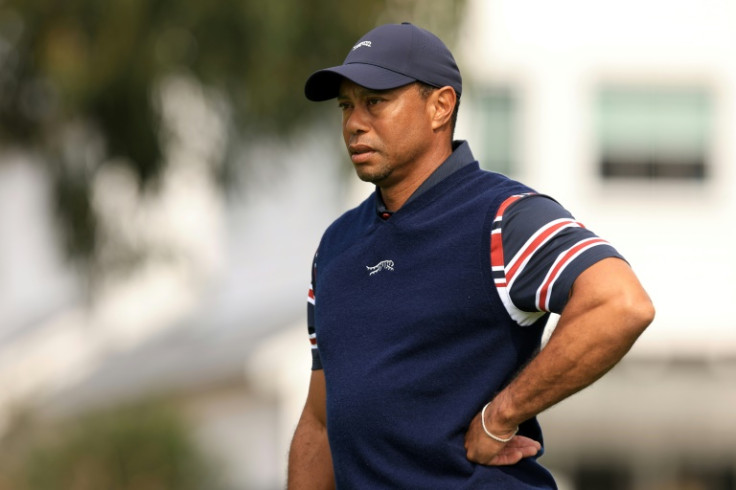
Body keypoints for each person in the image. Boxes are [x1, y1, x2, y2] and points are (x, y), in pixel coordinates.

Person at [288, 22, 654, 489]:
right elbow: (319, 422)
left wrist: (501, 416)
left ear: (440, 106)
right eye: (346, 106)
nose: (354, 123)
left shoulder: (503, 217)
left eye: (375, 102)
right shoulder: (336, 246)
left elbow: (620, 304)